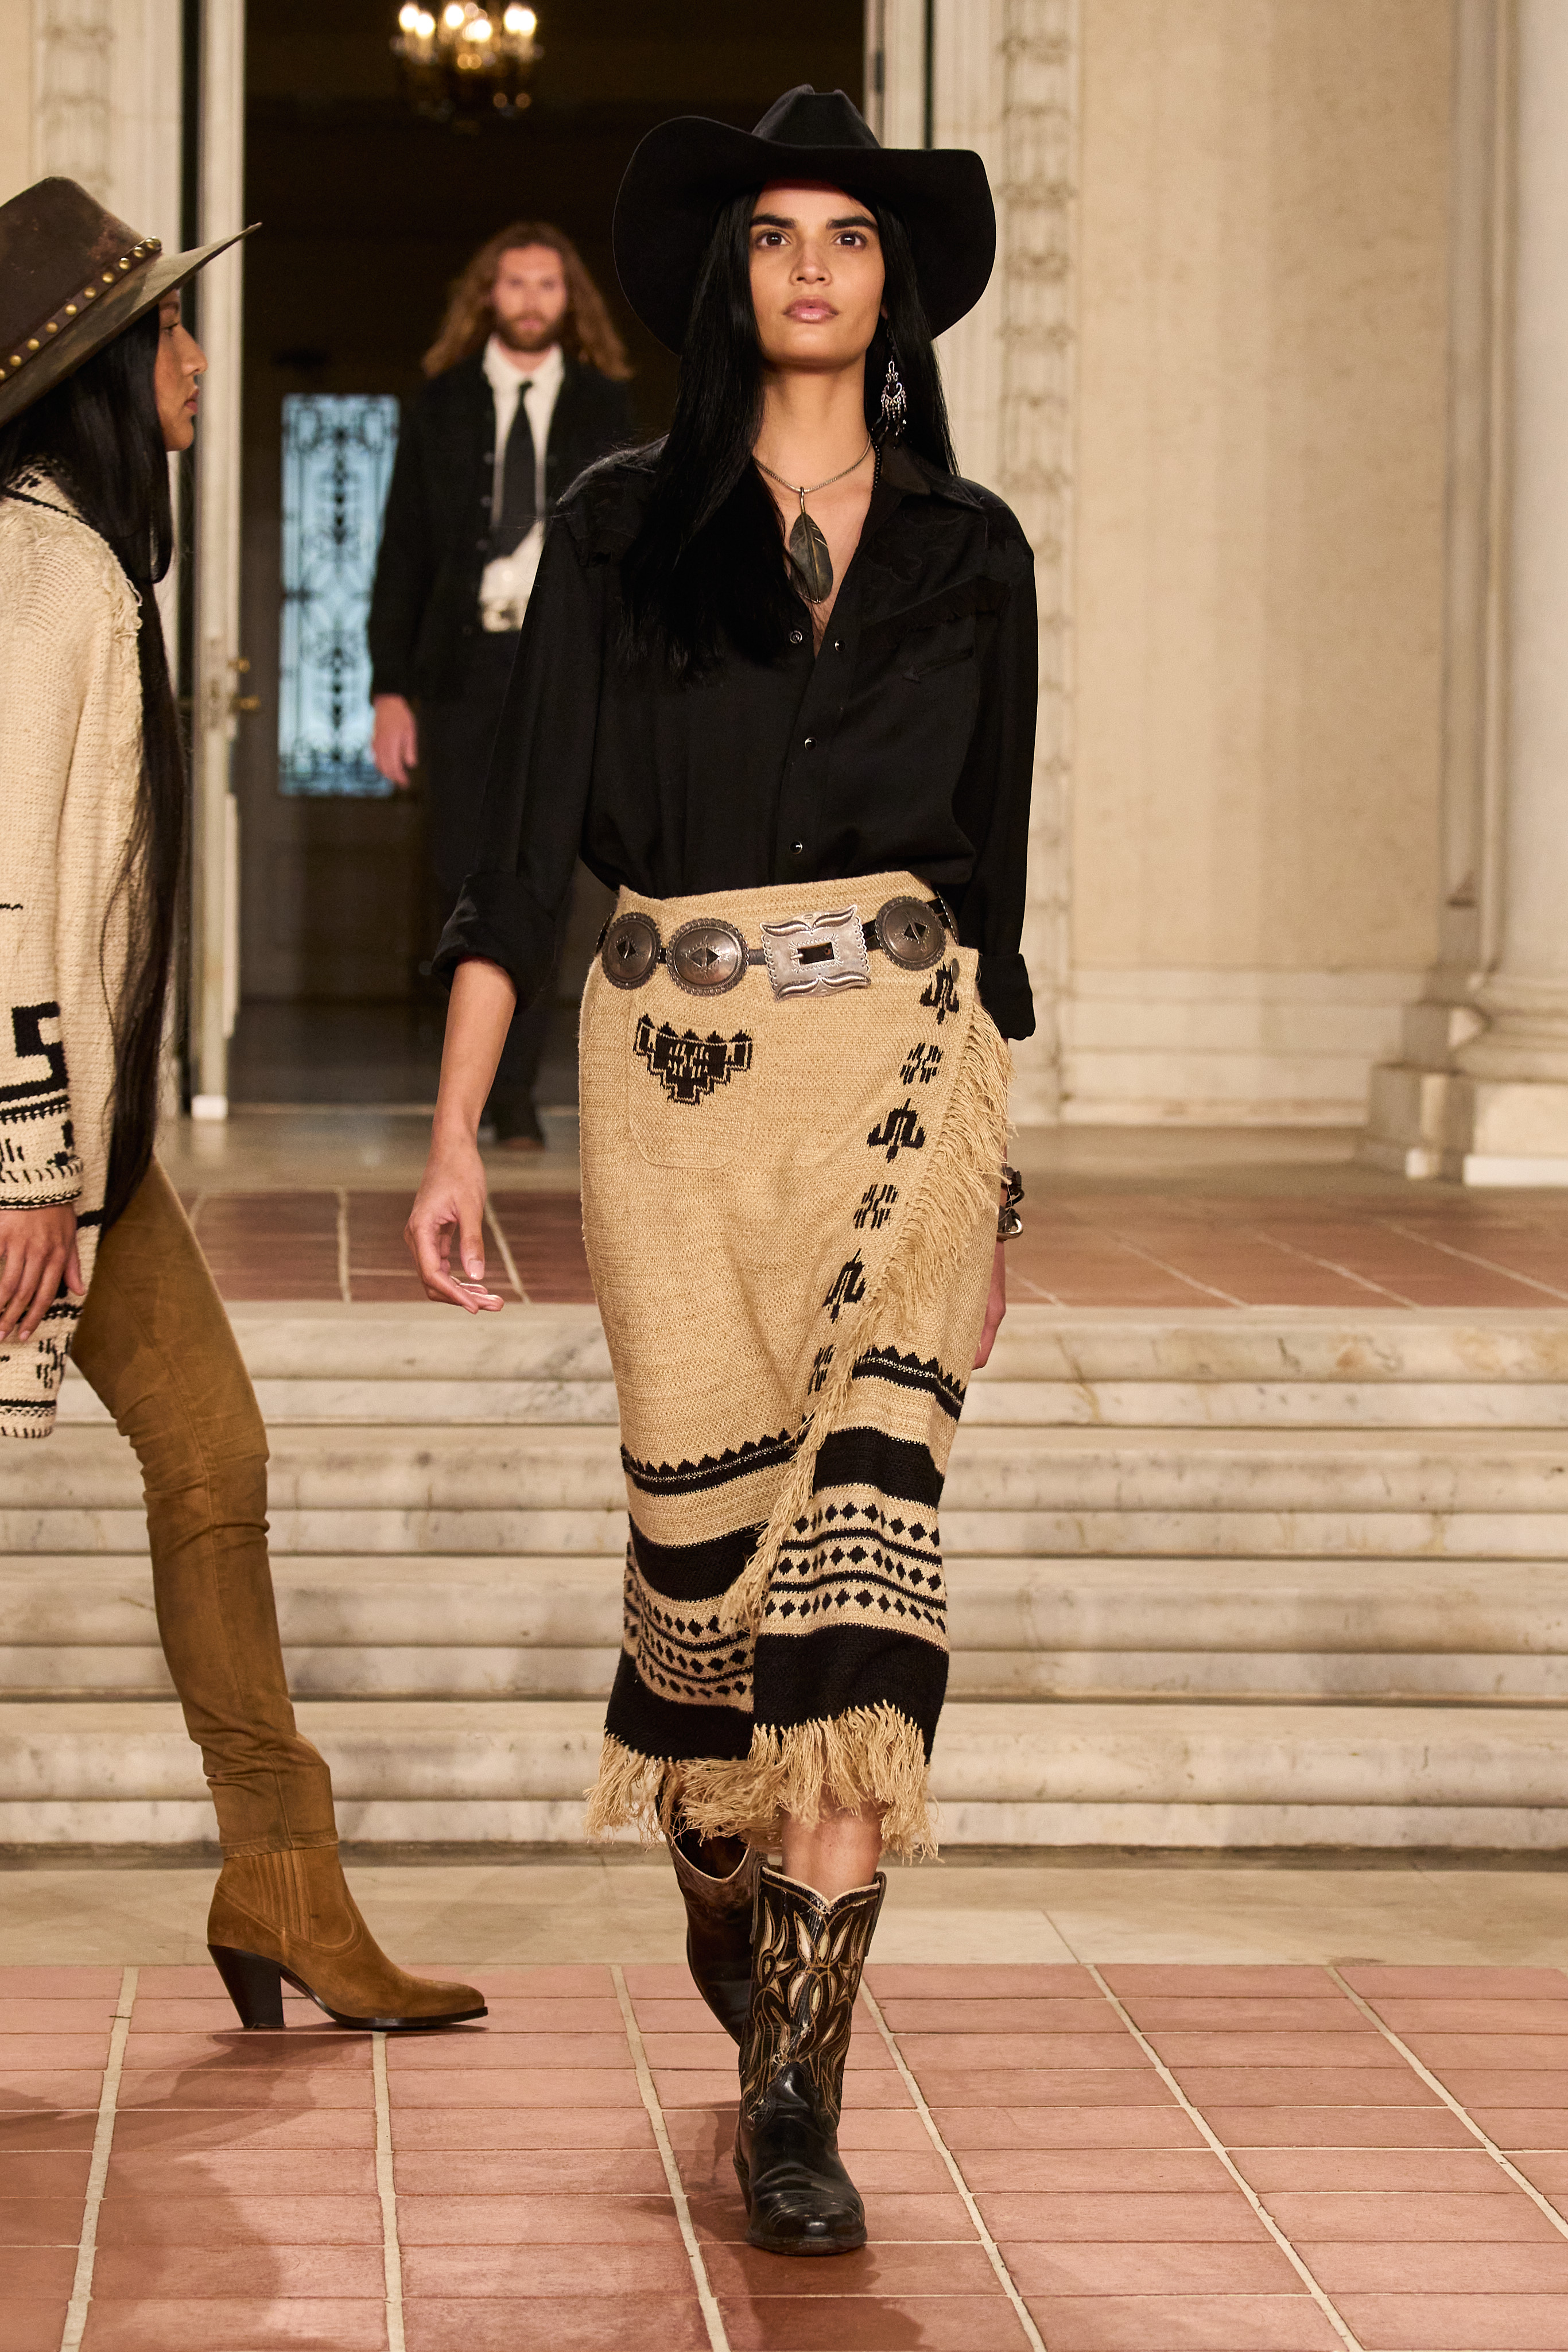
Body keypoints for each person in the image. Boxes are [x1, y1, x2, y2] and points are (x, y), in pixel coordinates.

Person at [405, 87, 1035, 2250]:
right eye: (773, 234)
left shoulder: (974, 556)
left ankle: (795, 2099)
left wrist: (996, 1195)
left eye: (846, 235)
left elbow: (995, 905)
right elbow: (519, 850)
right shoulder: (612, 532)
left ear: (892, 283)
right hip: (672, 1100)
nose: (810, 267)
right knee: (705, 1633)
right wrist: (457, 1127)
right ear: (729, 275)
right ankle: (716, 1865)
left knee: (861, 1600)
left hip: (903, 1089)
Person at [0, 176, 484, 2035]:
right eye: (168, 333)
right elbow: (11, 892)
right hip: (29, 1145)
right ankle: (283, 1868)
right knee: (213, 1461)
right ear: (98, 374)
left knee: (215, 1456)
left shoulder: (81, 562)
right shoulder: (40, 571)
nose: (197, 359)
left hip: (82, 1151)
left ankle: (283, 1870)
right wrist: (25, 1157)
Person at [369, 222, 636, 1146]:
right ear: (489, 294)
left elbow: (625, 557)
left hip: (562, 668)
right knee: (464, 875)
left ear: (571, 300)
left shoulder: (605, 404)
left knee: (546, 878)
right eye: (515, 283)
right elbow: (401, 550)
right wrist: (389, 689)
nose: (530, 300)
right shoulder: (441, 404)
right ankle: (466, 1094)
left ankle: (516, 1095)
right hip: (460, 670)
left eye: (547, 285)